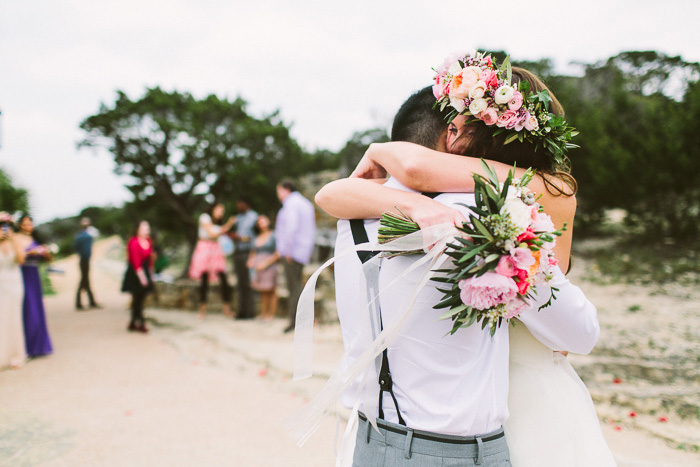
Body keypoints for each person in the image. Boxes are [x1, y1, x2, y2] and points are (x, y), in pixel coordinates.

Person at [314, 58, 614, 465]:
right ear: (449, 134)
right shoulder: (499, 227)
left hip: (373, 439)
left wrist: (380, 155)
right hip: (458, 444)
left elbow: (340, 192)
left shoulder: (355, 215)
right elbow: (580, 334)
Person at [275, 180, 316, 333]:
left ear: (285, 189)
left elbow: (290, 228)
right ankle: (300, 320)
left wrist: (288, 250)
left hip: (292, 252)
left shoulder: (291, 204)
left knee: (294, 288)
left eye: (278, 191)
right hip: (302, 251)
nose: (278, 195)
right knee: (297, 285)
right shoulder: (306, 204)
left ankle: (296, 321)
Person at [14, 214, 53, 357]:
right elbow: (17, 258)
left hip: (35, 274)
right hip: (23, 274)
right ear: (19, 225)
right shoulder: (16, 238)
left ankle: (40, 346)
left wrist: (46, 253)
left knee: (38, 308)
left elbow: (47, 259)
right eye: (25, 224)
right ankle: (28, 347)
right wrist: (31, 252)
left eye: (30, 224)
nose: (27, 227)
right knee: (29, 310)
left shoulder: (34, 238)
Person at [189, 203, 235, 319]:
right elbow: (211, 233)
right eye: (220, 209)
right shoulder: (205, 217)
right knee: (204, 279)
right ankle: (202, 310)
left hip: (215, 249)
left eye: (222, 211)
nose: (221, 213)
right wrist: (228, 224)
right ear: (213, 209)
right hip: (205, 248)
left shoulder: (218, 223)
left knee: (223, 278)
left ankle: (227, 308)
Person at [0, 212, 27, 369]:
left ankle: (16, 355)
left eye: (7, 226)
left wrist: (11, 240)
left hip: (14, 283)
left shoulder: (15, 240)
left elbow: (21, 260)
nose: (5, 228)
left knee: (14, 317)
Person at [122, 220, 154, 333]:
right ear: (138, 229)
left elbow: (149, 260)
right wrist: (142, 277)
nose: (147, 229)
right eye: (144, 227)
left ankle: (133, 321)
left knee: (140, 299)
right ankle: (140, 322)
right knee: (137, 298)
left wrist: (150, 273)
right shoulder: (133, 242)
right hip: (135, 273)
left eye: (147, 227)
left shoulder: (148, 241)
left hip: (145, 270)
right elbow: (135, 261)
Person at [247, 215, 279, 322]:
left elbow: (278, 252)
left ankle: (271, 314)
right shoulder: (257, 237)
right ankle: (263, 313)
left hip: (269, 265)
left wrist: (265, 263)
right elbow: (253, 251)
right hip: (258, 266)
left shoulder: (273, 235)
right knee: (262, 290)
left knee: (271, 290)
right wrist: (251, 260)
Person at [230, 197, 258, 320]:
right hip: (237, 251)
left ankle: (251, 311)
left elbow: (255, 236)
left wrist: (243, 239)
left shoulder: (254, 217)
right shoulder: (237, 218)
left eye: (240, 204)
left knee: (249, 283)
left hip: (249, 252)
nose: (238, 206)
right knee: (240, 283)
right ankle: (241, 311)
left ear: (245, 204)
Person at [74, 217, 100, 310]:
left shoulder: (88, 234)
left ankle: (90, 302)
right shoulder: (82, 236)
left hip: (86, 260)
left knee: (86, 281)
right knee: (84, 281)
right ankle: (80, 303)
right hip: (83, 260)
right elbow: (76, 247)